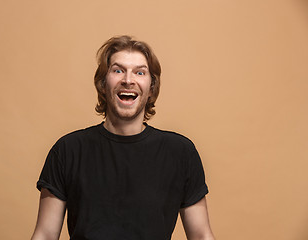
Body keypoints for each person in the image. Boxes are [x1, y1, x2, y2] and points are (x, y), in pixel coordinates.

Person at [31, 35, 215, 240]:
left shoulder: (181, 152)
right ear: (103, 83)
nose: (128, 80)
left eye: (140, 72)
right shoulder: (68, 150)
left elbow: (201, 235)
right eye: (118, 70)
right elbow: (45, 235)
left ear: (152, 87)